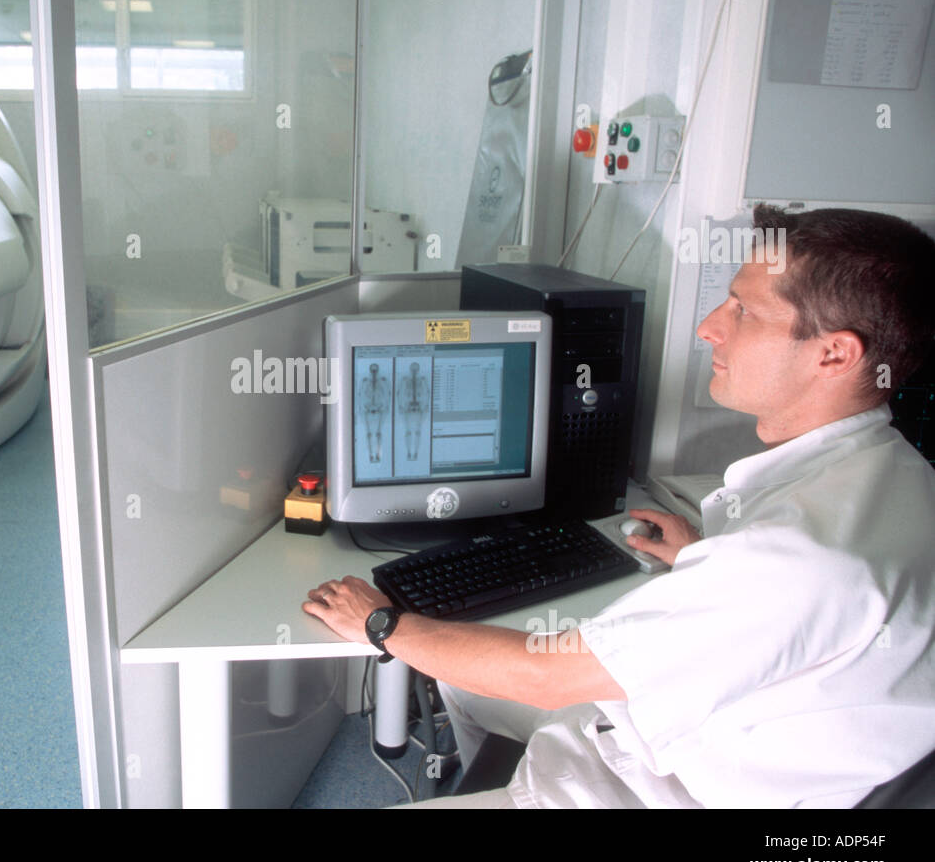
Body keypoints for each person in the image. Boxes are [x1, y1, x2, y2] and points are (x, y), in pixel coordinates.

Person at [303, 204, 935, 808]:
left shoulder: (791, 562)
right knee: (463, 679)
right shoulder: (900, 472)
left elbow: (546, 675)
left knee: (480, 666)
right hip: (729, 733)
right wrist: (704, 558)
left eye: (743, 310)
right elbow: (811, 614)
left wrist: (381, 625)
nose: (709, 325)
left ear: (835, 353)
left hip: (675, 791)